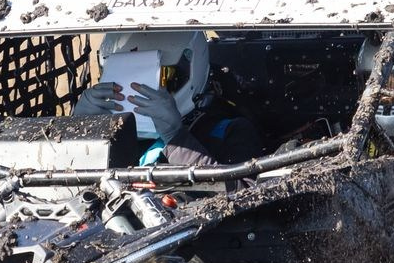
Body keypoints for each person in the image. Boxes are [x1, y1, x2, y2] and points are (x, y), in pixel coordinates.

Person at [72, 29, 260, 168]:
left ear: (190, 71)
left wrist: (176, 139)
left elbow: (243, 196)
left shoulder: (229, 131)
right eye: (117, 76)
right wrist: (81, 132)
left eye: (158, 78)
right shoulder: (112, 136)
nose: (133, 91)